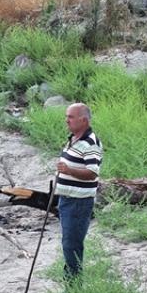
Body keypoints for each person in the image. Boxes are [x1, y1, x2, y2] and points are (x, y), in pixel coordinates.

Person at [54, 103, 102, 280]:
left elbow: (92, 173)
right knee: (69, 243)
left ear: (83, 120)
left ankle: (73, 288)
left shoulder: (91, 143)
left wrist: (69, 171)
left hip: (78, 202)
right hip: (67, 200)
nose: (67, 120)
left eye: (71, 117)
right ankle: (71, 287)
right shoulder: (73, 139)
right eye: (67, 116)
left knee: (71, 245)